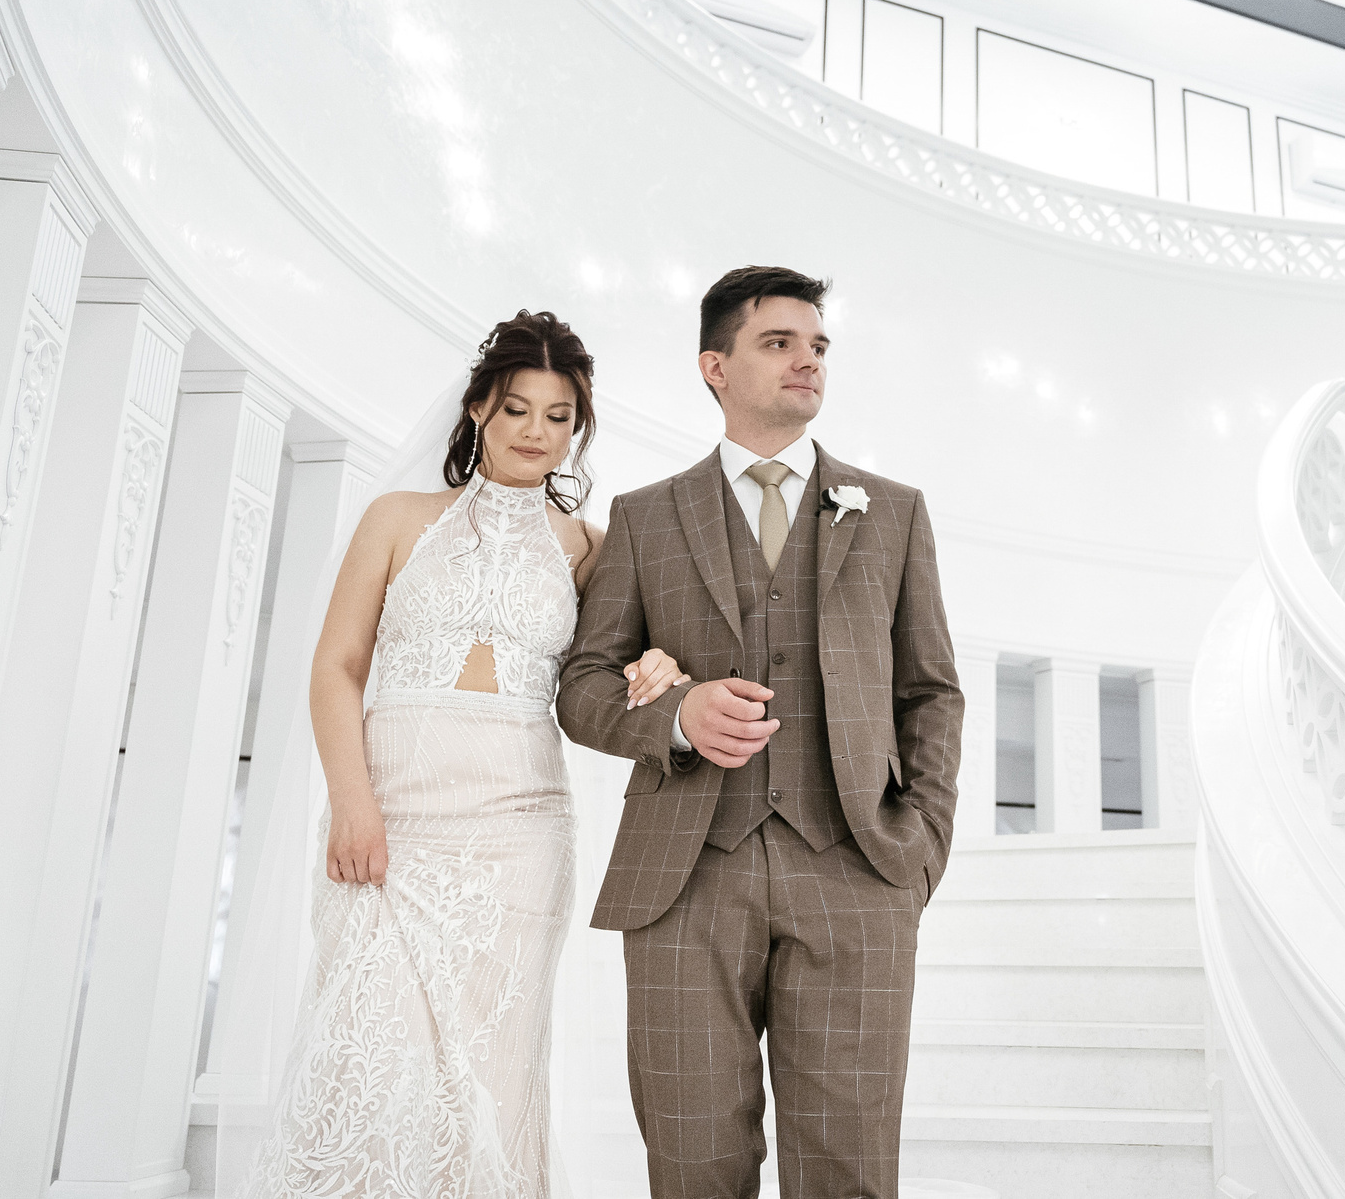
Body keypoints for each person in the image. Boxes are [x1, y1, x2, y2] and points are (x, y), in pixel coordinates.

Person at [244, 312, 687, 1194]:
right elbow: (336, 668)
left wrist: (659, 659)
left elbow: (615, 664)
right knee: (362, 1059)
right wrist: (354, 802)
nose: (536, 432)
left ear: (577, 427)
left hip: (520, 837)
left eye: (558, 416)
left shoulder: (591, 549)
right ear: (479, 407)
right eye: (517, 408)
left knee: (491, 1075)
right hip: (393, 820)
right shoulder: (396, 518)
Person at [557, 266, 965, 1199]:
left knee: (849, 1168)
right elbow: (581, 685)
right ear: (715, 366)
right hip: (684, 875)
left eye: (817, 345)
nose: (806, 361)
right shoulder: (647, 515)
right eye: (778, 343)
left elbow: (931, 690)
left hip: (858, 868)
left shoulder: (892, 511)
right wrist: (674, 714)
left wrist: (922, 847)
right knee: (694, 1164)